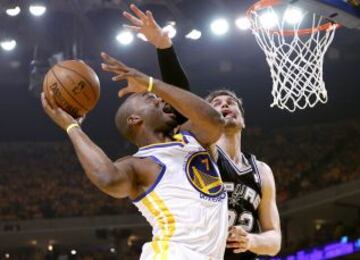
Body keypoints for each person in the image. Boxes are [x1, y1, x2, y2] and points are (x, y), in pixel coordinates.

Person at [123, 4, 282, 259]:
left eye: (230, 102)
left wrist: (251, 240)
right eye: (216, 104)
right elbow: (182, 102)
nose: (224, 105)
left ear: (243, 119)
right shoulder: (199, 151)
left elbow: (274, 240)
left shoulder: (261, 171)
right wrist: (165, 48)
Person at [41, 52, 228, 260]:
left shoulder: (191, 137)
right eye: (150, 99)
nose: (159, 99)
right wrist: (72, 127)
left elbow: (215, 120)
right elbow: (107, 178)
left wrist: (151, 84)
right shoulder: (138, 165)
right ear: (135, 119)